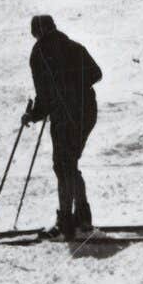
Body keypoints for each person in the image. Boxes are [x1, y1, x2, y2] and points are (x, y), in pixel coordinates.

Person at [21, 16, 100, 240]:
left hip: (64, 117)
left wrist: (34, 114)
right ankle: (82, 218)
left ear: (36, 33)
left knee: (63, 165)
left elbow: (43, 94)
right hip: (86, 112)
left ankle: (67, 220)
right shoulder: (74, 47)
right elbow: (96, 73)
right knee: (69, 163)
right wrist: (74, 85)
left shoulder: (39, 55)